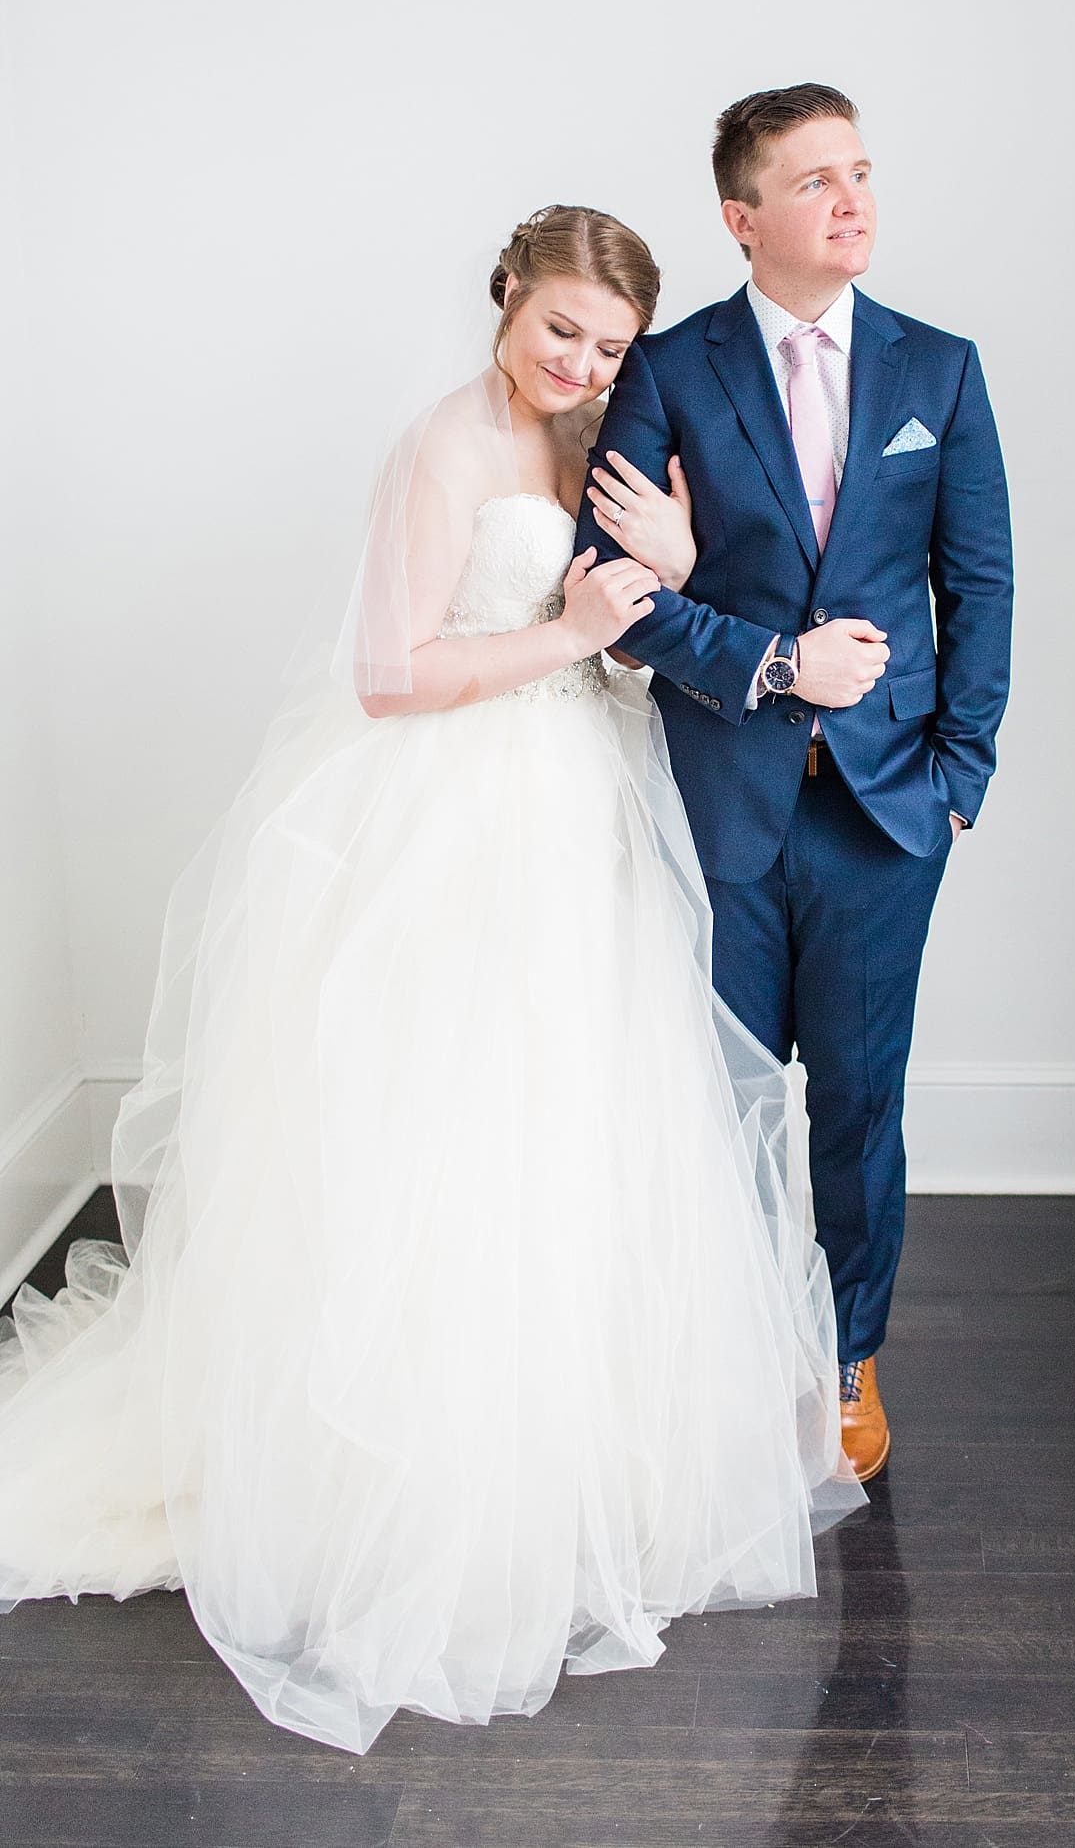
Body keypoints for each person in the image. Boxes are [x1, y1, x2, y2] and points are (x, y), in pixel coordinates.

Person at [0, 205, 862, 1756]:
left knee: (580, 1119)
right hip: (454, 811)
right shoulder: (441, 449)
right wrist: (575, 632)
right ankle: (411, 1476)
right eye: (560, 330)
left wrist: (662, 575)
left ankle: (573, 1455)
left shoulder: (603, 439)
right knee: (446, 1122)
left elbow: (630, 640)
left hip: (581, 807)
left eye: (608, 345)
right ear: (508, 295)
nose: (580, 364)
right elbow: (391, 674)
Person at [577, 85, 1014, 1482]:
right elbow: (615, 599)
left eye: (861, 171)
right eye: (816, 179)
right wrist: (776, 665)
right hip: (721, 802)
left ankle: (844, 1354)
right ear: (742, 216)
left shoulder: (939, 371)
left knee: (859, 1101)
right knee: (721, 1098)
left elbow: (981, 586)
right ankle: (724, 1349)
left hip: (887, 811)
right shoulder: (671, 370)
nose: (852, 199)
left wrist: (959, 775)